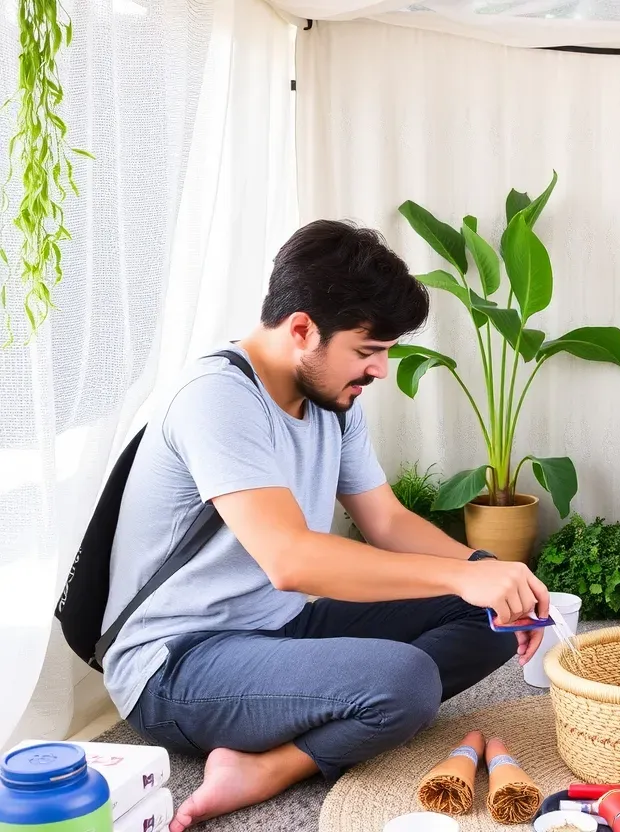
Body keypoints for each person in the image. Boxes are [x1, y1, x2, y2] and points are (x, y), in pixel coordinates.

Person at [100, 220, 551, 832]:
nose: (381, 371)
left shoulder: (333, 401)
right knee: (407, 679)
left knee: (492, 612)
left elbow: (386, 520)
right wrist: (462, 578)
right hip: (178, 661)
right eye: (367, 352)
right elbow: (291, 561)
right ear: (303, 329)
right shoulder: (217, 397)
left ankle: (335, 705)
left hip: (278, 627)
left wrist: (486, 573)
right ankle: (277, 765)